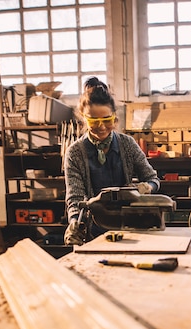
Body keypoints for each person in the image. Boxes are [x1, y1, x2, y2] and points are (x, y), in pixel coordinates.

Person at [63, 77, 160, 245]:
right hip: (92, 231)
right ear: (84, 119)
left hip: (129, 226)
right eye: (93, 121)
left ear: (115, 117)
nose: (101, 126)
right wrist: (74, 223)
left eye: (107, 120)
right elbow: (75, 198)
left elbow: (153, 179)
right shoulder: (75, 152)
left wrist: (146, 187)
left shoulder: (127, 144)